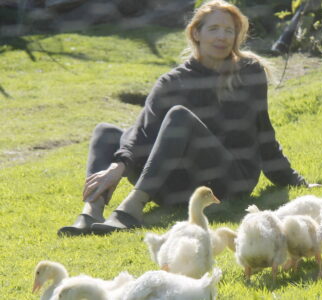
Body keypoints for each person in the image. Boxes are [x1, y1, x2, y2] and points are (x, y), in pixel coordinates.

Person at [58, 0, 307, 236]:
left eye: (229, 31)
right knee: (106, 132)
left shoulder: (249, 71)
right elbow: (142, 131)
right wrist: (117, 167)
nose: (222, 37)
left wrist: (295, 181)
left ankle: (131, 208)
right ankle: (91, 211)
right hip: (176, 186)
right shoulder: (172, 81)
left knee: (180, 117)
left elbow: (264, 132)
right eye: (214, 29)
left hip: (227, 182)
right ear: (196, 33)